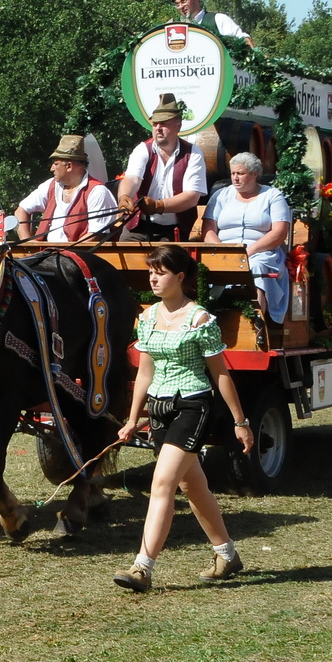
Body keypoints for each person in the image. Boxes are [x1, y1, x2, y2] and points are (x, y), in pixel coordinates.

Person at [113, 243, 254, 593]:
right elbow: (145, 372)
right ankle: (227, 555)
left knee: (162, 484)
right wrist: (133, 418)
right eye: (150, 272)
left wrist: (240, 421)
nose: (153, 278)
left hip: (193, 406)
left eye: (160, 272)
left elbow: (220, 374)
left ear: (179, 276)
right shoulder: (147, 317)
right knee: (194, 485)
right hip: (160, 409)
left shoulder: (200, 319)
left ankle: (142, 568)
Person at [202, 152, 293, 326]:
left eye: (241, 173)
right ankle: (208, 319)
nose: (235, 178)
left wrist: (247, 252)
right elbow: (208, 229)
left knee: (255, 266)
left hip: (262, 253)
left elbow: (279, 232)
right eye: (233, 173)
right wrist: (224, 253)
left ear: (254, 174)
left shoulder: (272, 195)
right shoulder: (221, 195)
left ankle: (256, 323)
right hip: (223, 252)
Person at [116, 94, 208, 242]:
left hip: (172, 231)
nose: (158, 128)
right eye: (155, 124)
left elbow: (192, 197)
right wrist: (124, 197)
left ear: (178, 125)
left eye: (164, 123)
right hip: (137, 227)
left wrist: (159, 206)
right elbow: (132, 179)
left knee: (167, 264)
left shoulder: (193, 154)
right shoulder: (142, 149)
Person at [16, 135, 115, 242]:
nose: (52, 169)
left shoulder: (97, 192)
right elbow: (21, 210)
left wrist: (65, 254)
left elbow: (96, 234)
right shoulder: (50, 185)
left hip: (78, 256)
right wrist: (27, 244)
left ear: (69, 166)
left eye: (55, 164)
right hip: (45, 254)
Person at [169, 0, 251, 45]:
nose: (181, 6)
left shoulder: (218, 19)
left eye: (184, 1)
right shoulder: (179, 28)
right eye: (177, 4)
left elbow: (243, 39)